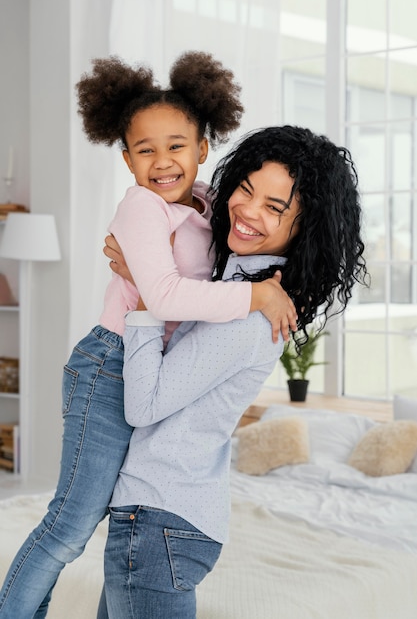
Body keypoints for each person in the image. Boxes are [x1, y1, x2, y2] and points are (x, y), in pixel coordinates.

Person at [0, 53, 296, 619]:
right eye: (145, 150)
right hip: (110, 364)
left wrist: (274, 289)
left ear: (203, 148)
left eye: (177, 145)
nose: (163, 162)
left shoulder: (213, 204)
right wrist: (256, 296)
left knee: (90, 521)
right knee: (71, 523)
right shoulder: (141, 208)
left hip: (148, 362)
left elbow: (231, 262)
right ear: (126, 158)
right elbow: (162, 298)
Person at [100, 125, 369, 618]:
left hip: (161, 516)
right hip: (163, 518)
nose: (247, 211)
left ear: (302, 228)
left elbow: (144, 405)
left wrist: (144, 293)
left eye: (275, 207)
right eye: (246, 190)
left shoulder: (251, 312)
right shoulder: (234, 287)